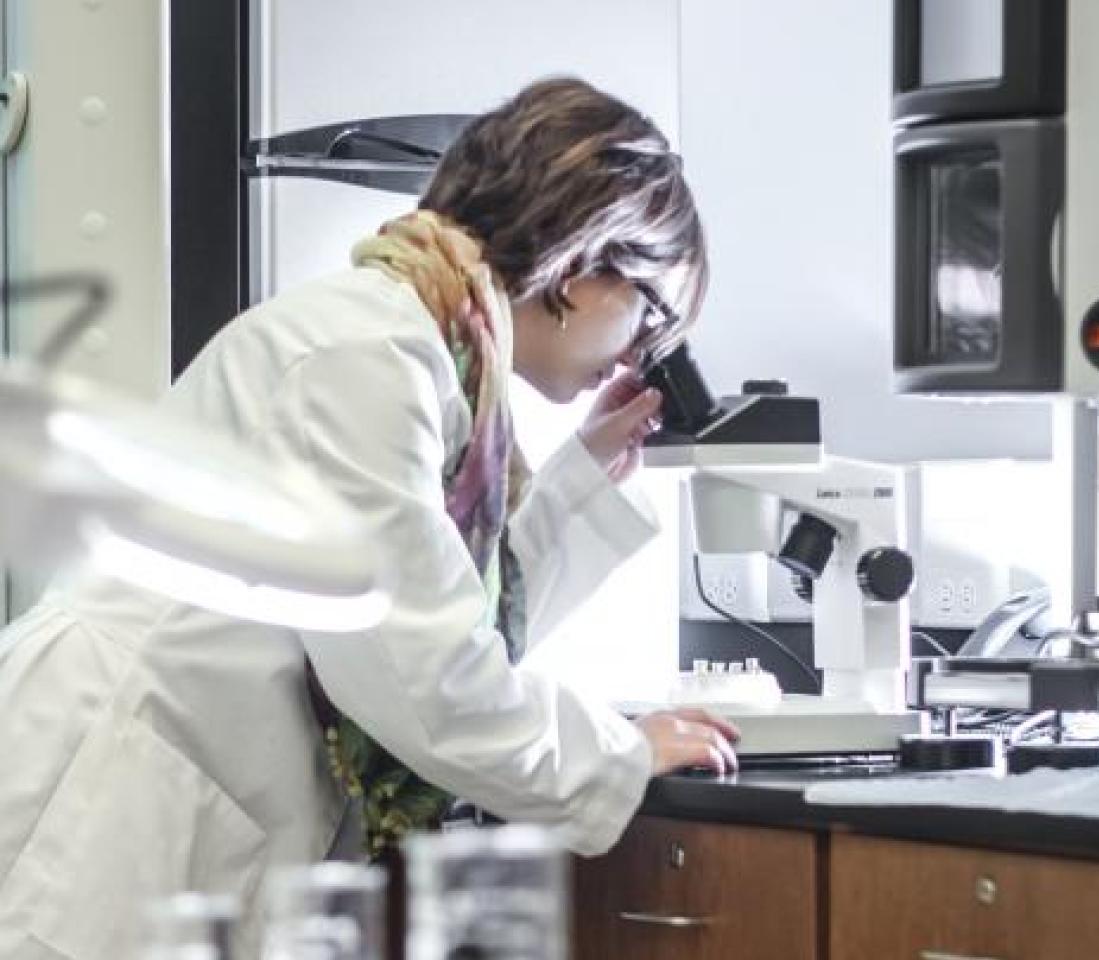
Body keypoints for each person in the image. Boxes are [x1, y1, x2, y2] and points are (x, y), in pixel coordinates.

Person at [0, 77, 739, 960]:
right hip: (111, 792)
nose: (638, 353)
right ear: (584, 271)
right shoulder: (367, 353)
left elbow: (439, 613)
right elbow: (419, 673)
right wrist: (615, 755)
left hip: (168, 790)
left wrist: (583, 480)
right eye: (649, 317)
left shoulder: (420, 354)